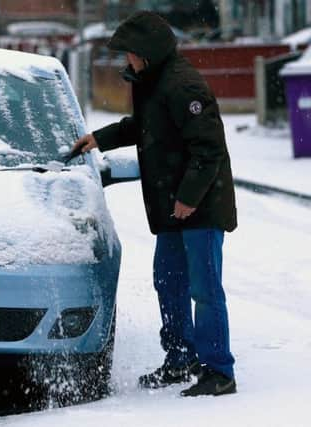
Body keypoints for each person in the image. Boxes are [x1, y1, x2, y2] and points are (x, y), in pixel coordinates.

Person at [71, 11, 237, 397]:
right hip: (174, 207)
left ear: (148, 51)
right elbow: (142, 126)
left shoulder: (183, 86)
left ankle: (218, 370)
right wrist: (98, 138)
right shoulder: (155, 82)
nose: (126, 60)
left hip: (199, 207)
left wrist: (188, 199)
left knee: (204, 288)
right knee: (168, 280)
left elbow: (208, 150)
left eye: (130, 53)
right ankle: (180, 359)